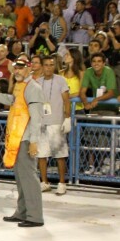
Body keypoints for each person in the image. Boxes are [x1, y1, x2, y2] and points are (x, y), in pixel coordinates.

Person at [0, 55, 45, 227]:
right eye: (15, 67)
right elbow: (11, 101)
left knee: (29, 178)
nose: (17, 70)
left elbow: (37, 117)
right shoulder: (20, 85)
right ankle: (23, 212)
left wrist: (33, 141)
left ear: (29, 69)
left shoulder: (33, 87)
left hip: (25, 138)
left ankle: (35, 216)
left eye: (21, 67)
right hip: (16, 138)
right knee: (21, 178)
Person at [37, 55, 71, 195]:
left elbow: (66, 101)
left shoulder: (61, 80)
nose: (49, 67)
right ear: (42, 66)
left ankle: (62, 183)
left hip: (57, 122)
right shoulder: (37, 82)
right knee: (41, 155)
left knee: (60, 155)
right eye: (46, 65)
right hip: (41, 122)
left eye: (51, 65)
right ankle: (44, 182)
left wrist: (67, 118)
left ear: (54, 66)